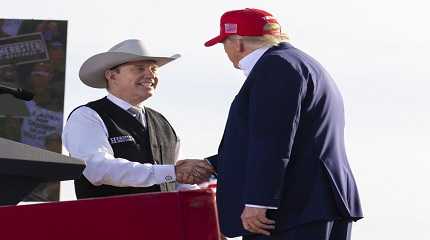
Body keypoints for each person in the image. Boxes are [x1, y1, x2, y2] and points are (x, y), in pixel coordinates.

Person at [185, 8, 363, 239]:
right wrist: (212, 164)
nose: (226, 52)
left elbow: (272, 139)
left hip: (291, 209)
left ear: (237, 43)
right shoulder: (301, 63)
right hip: (315, 204)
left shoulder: (275, 66)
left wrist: (259, 201)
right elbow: (290, 138)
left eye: (224, 44)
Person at [62, 39, 213, 199]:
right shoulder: (87, 116)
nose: (150, 75)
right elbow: (98, 170)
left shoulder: (162, 122)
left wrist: (205, 198)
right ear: (111, 75)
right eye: (139, 68)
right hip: (110, 221)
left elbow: (181, 181)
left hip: (164, 221)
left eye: (154, 69)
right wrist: (171, 172)